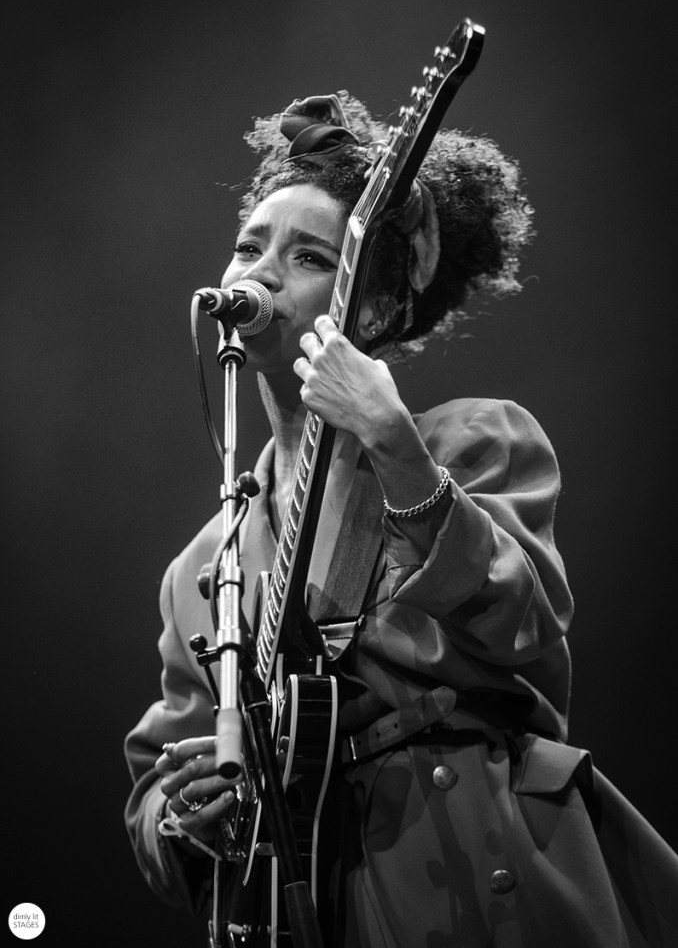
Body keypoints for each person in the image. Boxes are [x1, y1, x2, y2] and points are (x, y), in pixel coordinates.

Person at [125, 92, 678, 947]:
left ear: (370, 307)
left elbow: (525, 620)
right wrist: (180, 814)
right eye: (248, 245)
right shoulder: (202, 565)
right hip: (329, 903)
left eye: (306, 255)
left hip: (484, 869)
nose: (260, 272)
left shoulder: (475, 439)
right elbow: (156, 776)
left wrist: (392, 443)